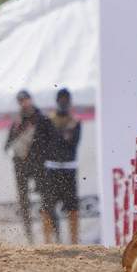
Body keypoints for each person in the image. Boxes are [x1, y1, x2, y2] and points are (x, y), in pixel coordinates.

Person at [4, 90, 54, 243]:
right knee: (24, 201)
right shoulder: (17, 121)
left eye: (25, 100)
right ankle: (29, 237)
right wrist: (17, 150)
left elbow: (52, 142)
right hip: (21, 166)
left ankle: (51, 237)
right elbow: (7, 146)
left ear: (30, 100)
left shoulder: (42, 119)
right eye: (21, 101)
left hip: (39, 165)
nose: (23, 103)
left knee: (47, 200)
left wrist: (37, 154)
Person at [41, 88, 82, 244]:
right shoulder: (48, 120)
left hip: (69, 169)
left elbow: (73, 144)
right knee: (47, 206)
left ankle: (74, 242)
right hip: (52, 169)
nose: (63, 102)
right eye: (61, 99)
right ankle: (47, 242)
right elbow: (45, 145)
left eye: (66, 99)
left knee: (73, 207)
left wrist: (61, 138)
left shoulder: (76, 122)